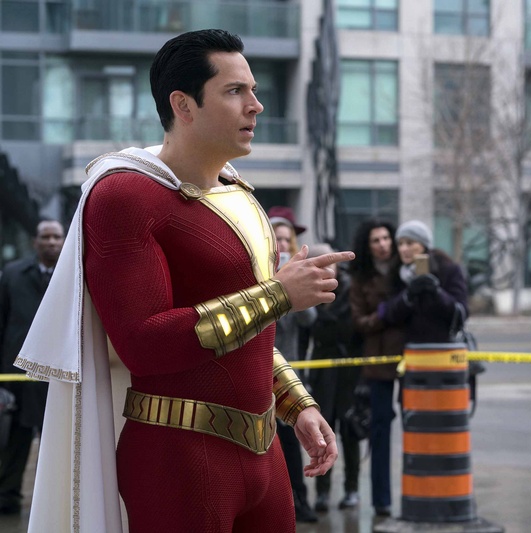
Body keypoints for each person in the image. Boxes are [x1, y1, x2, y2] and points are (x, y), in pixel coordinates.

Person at [14, 29, 354, 532]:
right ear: (183, 104)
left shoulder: (239, 194)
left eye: (254, 90)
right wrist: (279, 294)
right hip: (177, 459)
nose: (256, 105)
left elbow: (251, 335)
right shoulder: (125, 196)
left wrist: (295, 403)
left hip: (264, 454)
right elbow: (143, 343)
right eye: (235, 91)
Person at [0, 220, 64, 515]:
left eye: (56, 237)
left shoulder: (75, 276)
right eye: (45, 237)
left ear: (64, 241)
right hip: (17, 376)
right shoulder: (13, 275)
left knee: (57, 443)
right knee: (15, 440)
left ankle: (54, 504)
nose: (51, 242)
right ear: (35, 241)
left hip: (57, 375)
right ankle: (7, 498)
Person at [300, 243, 362, 513]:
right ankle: (323, 492)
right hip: (322, 367)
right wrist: (302, 375)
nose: (327, 269)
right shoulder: (308, 293)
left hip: (350, 368)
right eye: (320, 264)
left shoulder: (352, 289)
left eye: (330, 264)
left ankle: (352, 489)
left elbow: (361, 333)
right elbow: (303, 338)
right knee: (323, 431)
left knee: (349, 429)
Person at [348, 220, 404, 517]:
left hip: (410, 358)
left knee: (416, 426)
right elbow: (359, 322)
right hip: (378, 360)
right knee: (379, 430)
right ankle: (381, 501)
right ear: (367, 246)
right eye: (375, 240)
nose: (383, 244)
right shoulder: (361, 279)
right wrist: (385, 314)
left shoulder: (406, 270)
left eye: (386, 238)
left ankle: (416, 493)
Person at [268, 205, 319, 523]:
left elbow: (310, 319)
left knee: (291, 439)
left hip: (289, 375)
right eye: (278, 238)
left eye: (287, 239)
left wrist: (292, 290)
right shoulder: (258, 271)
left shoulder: (299, 272)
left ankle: (299, 500)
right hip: (260, 371)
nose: (283, 244)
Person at [379, 220, 469, 344]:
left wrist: (437, 292)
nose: (403, 249)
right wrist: (407, 296)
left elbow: (461, 313)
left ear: (423, 245)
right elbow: (386, 314)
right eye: (400, 244)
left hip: (443, 347)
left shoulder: (448, 270)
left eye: (410, 243)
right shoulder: (395, 273)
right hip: (407, 349)